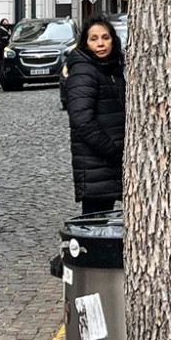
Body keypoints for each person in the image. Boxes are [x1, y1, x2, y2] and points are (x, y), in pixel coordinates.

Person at [61, 16, 126, 216]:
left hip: (109, 163)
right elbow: (82, 121)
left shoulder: (111, 69)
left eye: (105, 38)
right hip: (97, 163)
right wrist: (115, 152)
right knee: (95, 222)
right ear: (86, 43)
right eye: (94, 39)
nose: (100, 43)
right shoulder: (84, 70)